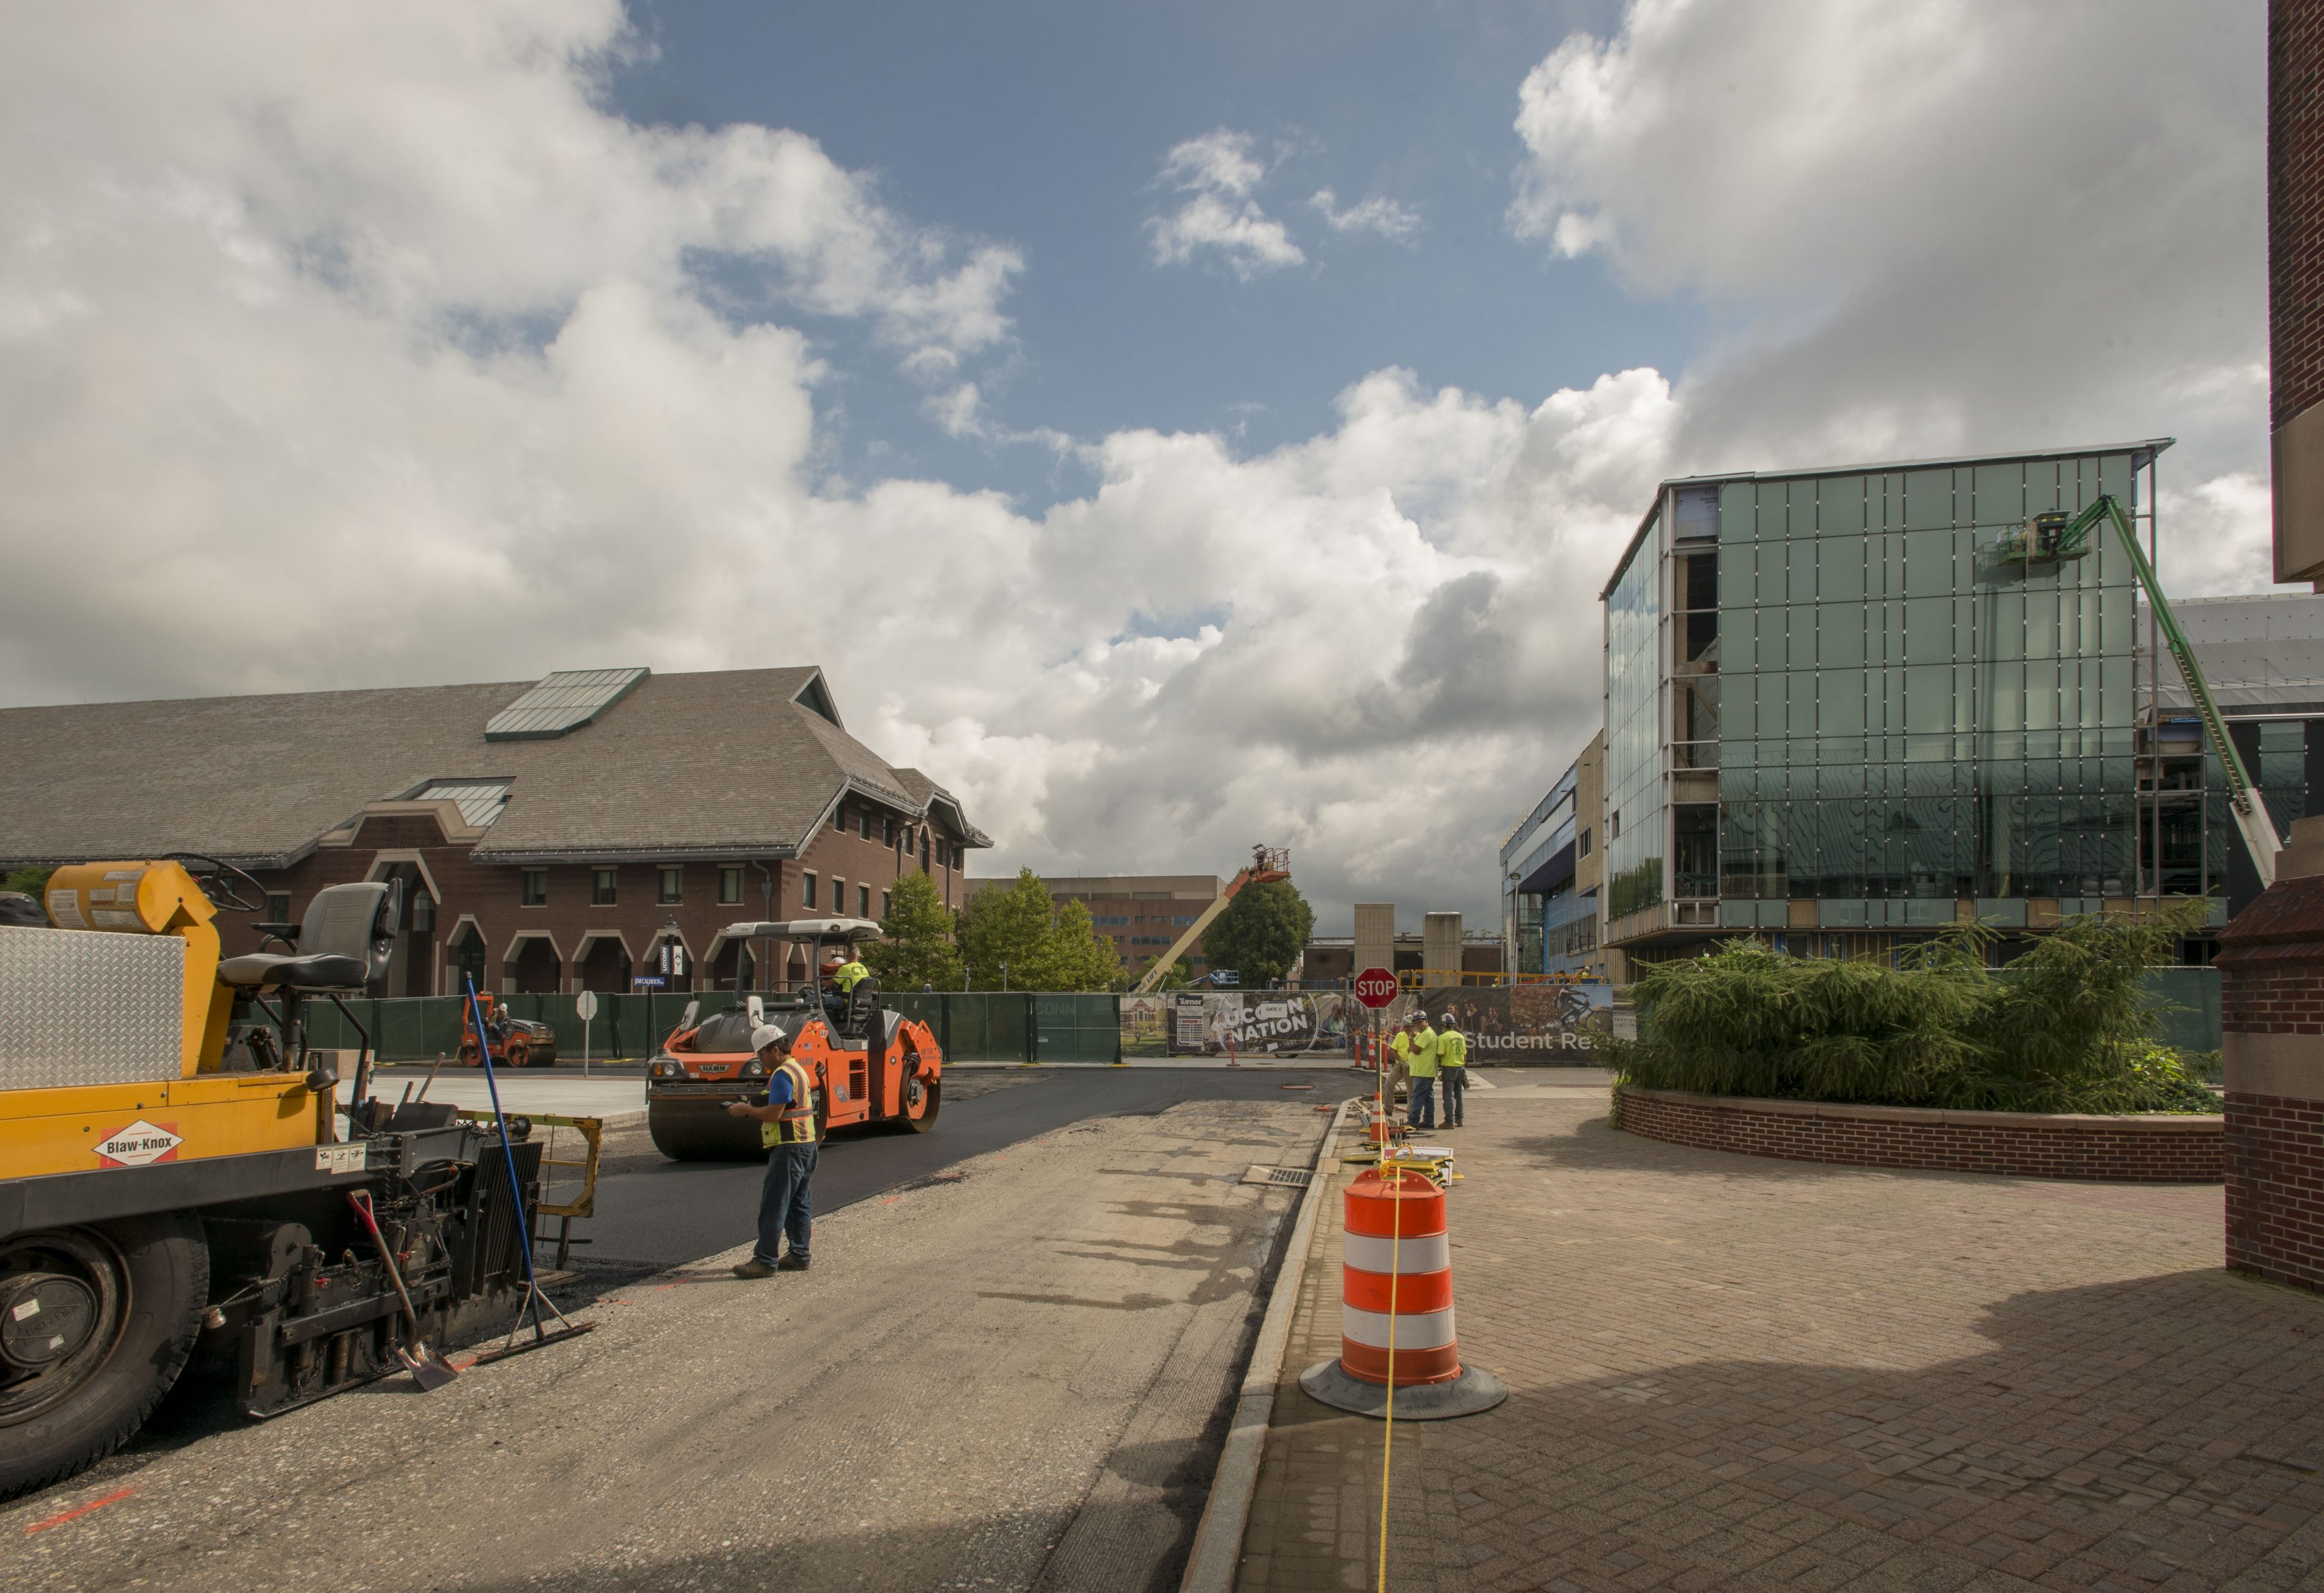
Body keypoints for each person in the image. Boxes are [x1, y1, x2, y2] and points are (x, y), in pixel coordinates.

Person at [724, 1024, 820, 1277]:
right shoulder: (798, 1070)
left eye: (761, 1054)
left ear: (775, 1050)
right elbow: (781, 1102)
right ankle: (800, 1255)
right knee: (799, 1204)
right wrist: (752, 1102)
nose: (760, 1059)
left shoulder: (781, 1074)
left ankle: (765, 1260)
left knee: (774, 1206)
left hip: (789, 1149)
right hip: (807, 1145)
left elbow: (774, 1113)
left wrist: (745, 1111)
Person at [1405, 1011, 1441, 1131]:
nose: (1417, 1025)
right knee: (1428, 1097)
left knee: (1418, 1096)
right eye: (1415, 1023)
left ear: (1427, 1021)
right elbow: (1410, 1050)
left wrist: (1411, 1038)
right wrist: (1413, 1047)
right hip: (1423, 1071)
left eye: (1420, 1022)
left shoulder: (1427, 1034)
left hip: (1423, 1071)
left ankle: (1414, 1120)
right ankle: (1429, 1121)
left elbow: (1414, 1049)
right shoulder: (1423, 1034)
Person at [1437, 1015, 1468, 1129]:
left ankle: (1449, 1121)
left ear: (1443, 1025)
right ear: (1453, 1025)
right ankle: (1459, 1120)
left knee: (1448, 1095)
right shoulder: (1461, 1036)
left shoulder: (1443, 1037)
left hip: (1449, 1068)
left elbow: (1440, 1054)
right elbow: (1465, 1053)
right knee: (1459, 1095)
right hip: (1460, 1068)